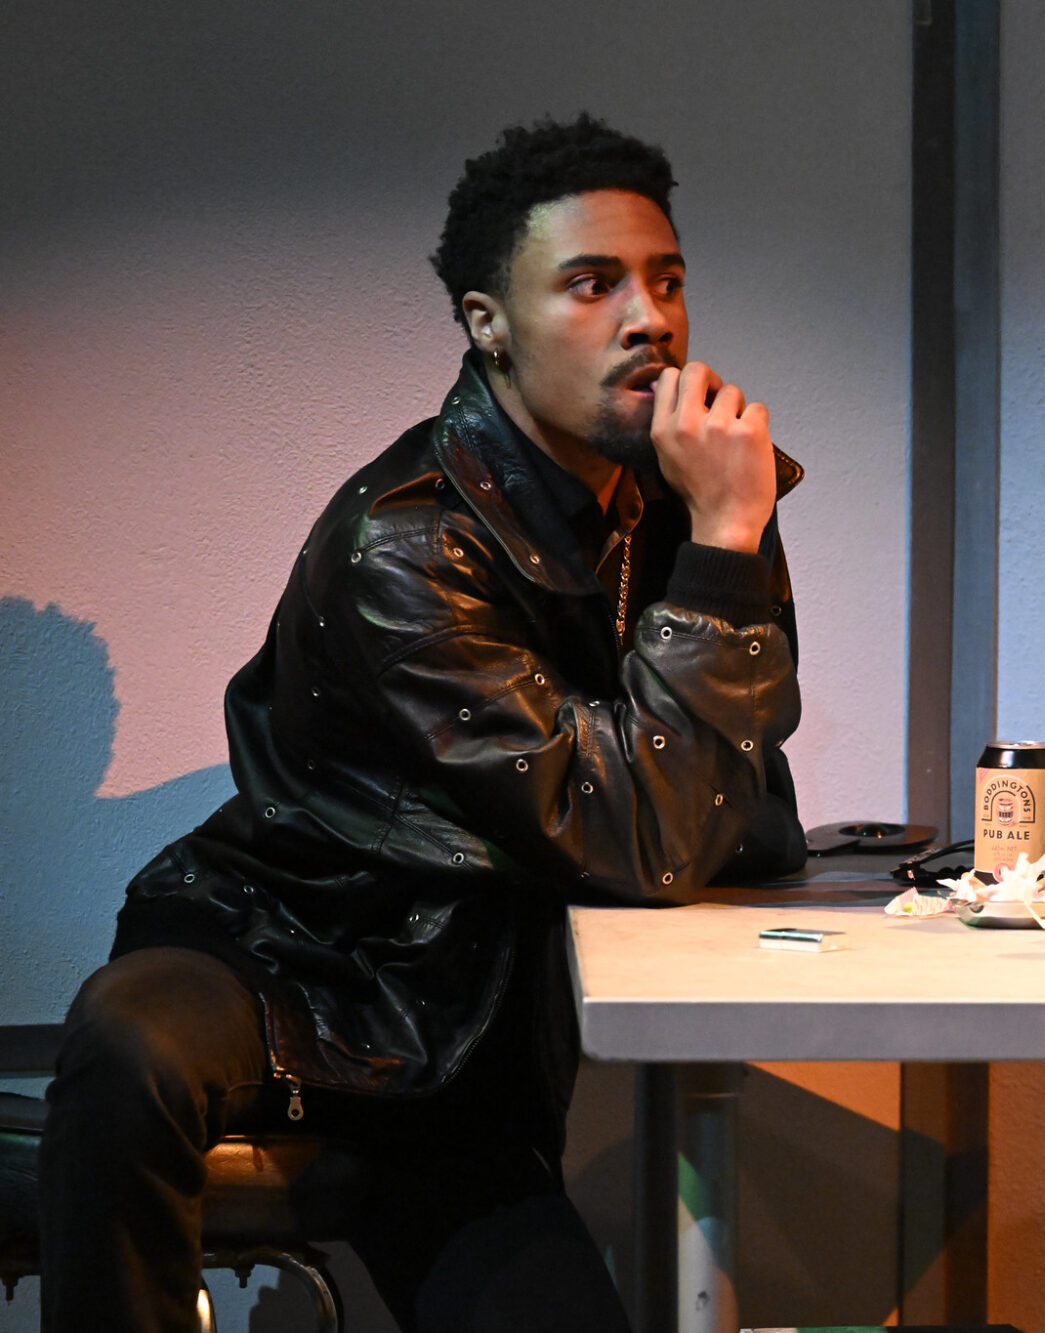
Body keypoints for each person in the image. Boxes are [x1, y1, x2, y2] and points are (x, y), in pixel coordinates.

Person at [37, 114, 808, 1332]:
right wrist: (723, 548)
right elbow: (651, 833)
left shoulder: (684, 499)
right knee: (126, 1041)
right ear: (485, 323)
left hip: (464, 1046)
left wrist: (720, 539)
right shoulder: (405, 545)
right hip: (299, 955)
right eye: (592, 283)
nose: (649, 319)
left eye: (665, 281)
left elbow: (739, 787)